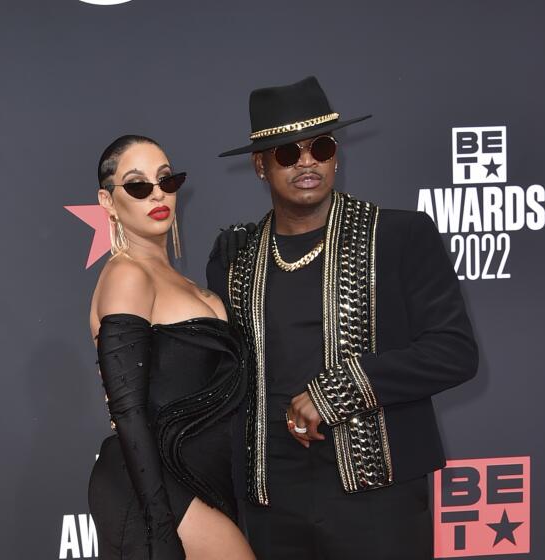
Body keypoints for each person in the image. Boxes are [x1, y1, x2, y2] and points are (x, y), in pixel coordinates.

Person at [206, 77, 479, 559]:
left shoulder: (400, 236)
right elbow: (224, 377)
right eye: (287, 152)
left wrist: (334, 392)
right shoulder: (235, 258)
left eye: (322, 147)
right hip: (271, 502)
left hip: (381, 499)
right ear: (259, 166)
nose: (307, 161)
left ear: (336, 155)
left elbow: (454, 353)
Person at [87, 135, 255, 560]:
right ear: (107, 202)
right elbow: (128, 411)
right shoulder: (127, 276)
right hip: (155, 484)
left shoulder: (183, 281)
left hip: (204, 478)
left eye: (166, 179)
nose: (157, 193)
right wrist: (160, 524)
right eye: (137, 186)